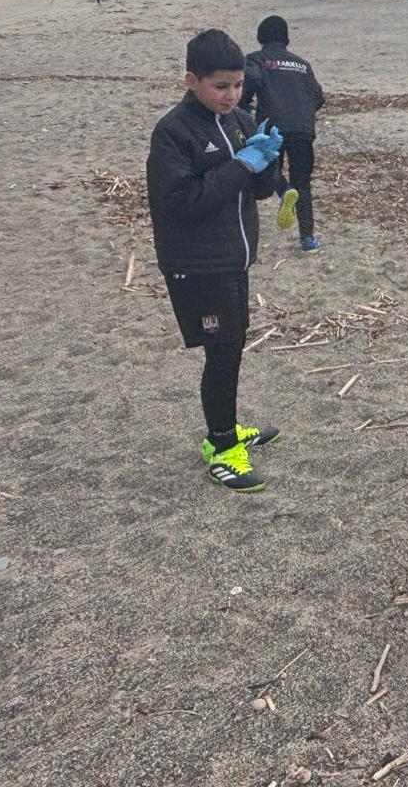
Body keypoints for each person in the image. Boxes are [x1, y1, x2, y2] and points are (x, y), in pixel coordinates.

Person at [147, 29, 286, 493]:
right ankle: (222, 447)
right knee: (222, 351)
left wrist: (268, 161)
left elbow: (260, 190)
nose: (231, 96)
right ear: (191, 80)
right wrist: (243, 164)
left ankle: (223, 430)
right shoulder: (173, 131)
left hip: (234, 258)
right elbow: (181, 203)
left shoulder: (241, 121)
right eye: (219, 86)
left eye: (237, 85)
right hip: (197, 264)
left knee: (231, 346)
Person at [240, 16, 325, 251]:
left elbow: (250, 81)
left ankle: (285, 191)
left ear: (260, 38)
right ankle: (307, 238)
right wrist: (303, 113)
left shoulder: (257, 59)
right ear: (286, 38)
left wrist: (244, 105)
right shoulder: (303, 64)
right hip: (303, 130)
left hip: (272, 129)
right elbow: (318, 97)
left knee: (270, 171)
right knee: (303, 183)